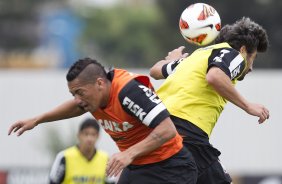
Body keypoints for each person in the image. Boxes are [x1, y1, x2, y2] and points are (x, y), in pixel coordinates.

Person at [8, 58, 197, 184]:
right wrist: (37, 119)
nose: (78, 99)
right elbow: (75, 107)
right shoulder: (93, 98)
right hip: (138, 167)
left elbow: (167, 129)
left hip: (172, 166)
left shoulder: (128, 91)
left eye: (80, 92)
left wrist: (128, 154)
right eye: (73, 94)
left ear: (99, 83)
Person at [150, 17, 270, 184]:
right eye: (253, 58)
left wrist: (172, 61)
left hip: (156, 126)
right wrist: (248, 106)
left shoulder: (195, 58)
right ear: (243, 50)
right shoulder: (234, 55)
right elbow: (214, 76)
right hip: (187, 131)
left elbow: (155, 71)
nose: (250, 67)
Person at [49, 118, 115, 184]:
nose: (89, 138)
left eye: (93, 134)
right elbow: (53, 182)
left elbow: (111, 182)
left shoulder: (106, 159)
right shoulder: (64, 157)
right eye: (86, 134)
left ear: (98, 136)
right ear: (79, 135)